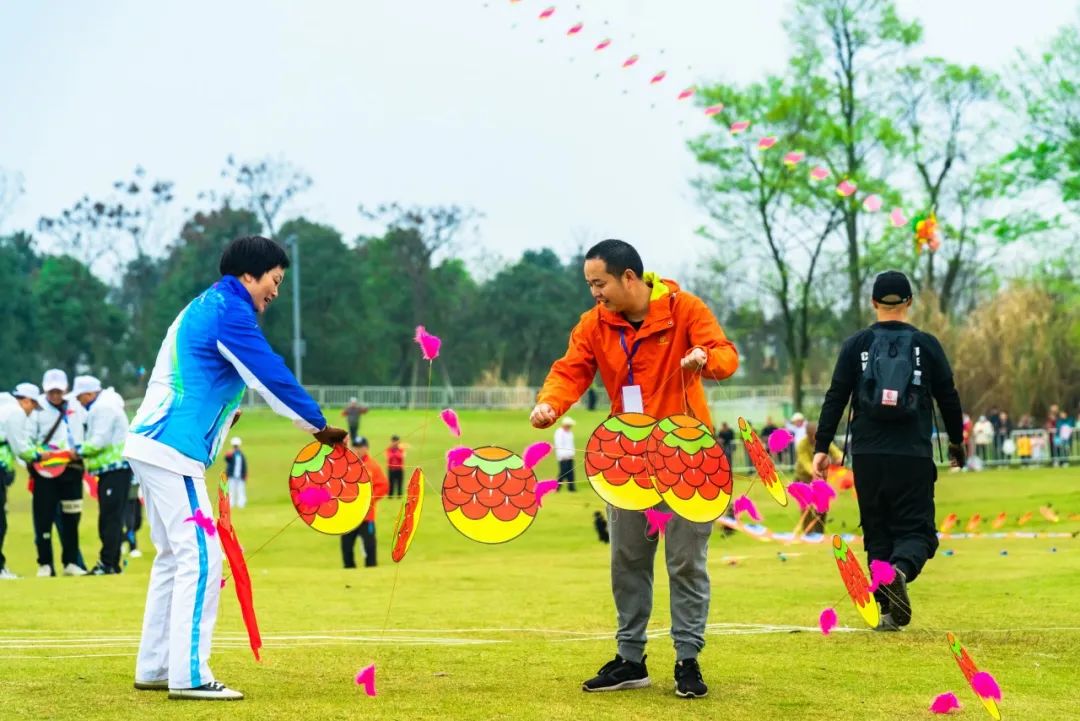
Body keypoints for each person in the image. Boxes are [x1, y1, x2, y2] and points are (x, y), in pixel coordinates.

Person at [124, 235, 348, 701]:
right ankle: (189, 676)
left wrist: (226, 414)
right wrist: (318, 425)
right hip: (171, 449)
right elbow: (269, 372)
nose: (276, 292)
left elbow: (201, 373)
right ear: (249, 275)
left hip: (152, 443)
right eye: (275, 280)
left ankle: (156, 665)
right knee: (202, 559)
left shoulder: (206, 305)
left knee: (173, 557)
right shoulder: (230, 311)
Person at [529, 239, 738, 699]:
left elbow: (726, 355)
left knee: (686, 561)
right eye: (589, 284)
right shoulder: (593, 324)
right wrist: (549, 404)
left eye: (599, 283)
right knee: (627, 559)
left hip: (688, 460)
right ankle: (630, 659)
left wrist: (705, 358)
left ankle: (687, 660)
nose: (594, 293)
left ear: (629, 277)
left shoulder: (685, 309)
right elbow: (570, 371)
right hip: (626, 463)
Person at [813, 270, 964, 632]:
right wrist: (957, 440)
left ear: (874, 303)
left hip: (867, 454)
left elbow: (836, 396)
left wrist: (822, 446)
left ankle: (889, 614)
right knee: (918, 531)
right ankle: (898, 572)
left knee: (877, 530)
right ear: (910, 302)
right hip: (911, 452)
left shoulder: (856, 345)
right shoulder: (926, 345)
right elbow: (948, 395)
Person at [29, 368, 88, 577]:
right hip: (44, 471)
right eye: (51, 392)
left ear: (66, 389)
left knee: (72, 516)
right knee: (43, 517)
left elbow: (84, 432)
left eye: (59, 391)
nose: (55, 395)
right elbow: (29, 439)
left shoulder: (76, 406)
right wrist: (38, 456)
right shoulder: (37, 407)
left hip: (72, 469)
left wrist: (81, 451)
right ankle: (45, 564)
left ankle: (71, 562)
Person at [74, 375, 132, 576]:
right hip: (111, 470)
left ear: (89, 394)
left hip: (114, 468)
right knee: (110, 517)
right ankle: (111, 562)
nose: (79, 402)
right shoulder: (106, 404)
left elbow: (99, 440)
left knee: (110, 518)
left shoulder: (103, 408)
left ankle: (108, 563)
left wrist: (76, 451)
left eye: (80, 397)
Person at [0, 384, 44, 579]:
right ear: (26, 400)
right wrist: (41, 456)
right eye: (32, 407)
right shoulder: (15, 412)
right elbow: (21, 448)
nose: (31, 412)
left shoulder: (3, 407)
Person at [341, 437, 389, 568]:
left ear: (366, 448)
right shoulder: (346, 465)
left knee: (369, 545)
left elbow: (383, 486)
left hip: (367, 516)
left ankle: (371, 569)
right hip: (349, 515)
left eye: (361, 447)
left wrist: (370, 498)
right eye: (356, 447)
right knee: (346, 546)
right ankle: (348, 570)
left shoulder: (373, 466)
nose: (358, 450)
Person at [794, 422, 842, 534]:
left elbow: (836, 451)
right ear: (808, 434)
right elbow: (804, 461)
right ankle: (808, 534)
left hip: (819, 480)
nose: (815, 438)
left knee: (822, 506)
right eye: (812, 435)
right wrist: (813, 471)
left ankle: (820, 534)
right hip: (803, 479)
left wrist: (839, 457)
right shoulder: (802, 444)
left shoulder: (823, 441)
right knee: (806, 507)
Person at [553, 417, 577, 492]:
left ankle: (571, 488)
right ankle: (556, 487)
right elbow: (559, 444)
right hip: (563, 456)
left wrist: (572, 453)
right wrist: (562, 454)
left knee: (571, 472)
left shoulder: (570, 433)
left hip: (570, 455)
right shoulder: (559, 432)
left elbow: (571, 444)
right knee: (563, 472)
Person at [224, 438, 248, 509]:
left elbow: (244, 465)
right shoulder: (231, 454)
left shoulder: (241, 455)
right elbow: (227, 460)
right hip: (232, 475)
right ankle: (231, 504)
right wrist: (228, 455)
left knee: (241, 490)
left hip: (240, 476)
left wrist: (245, 474)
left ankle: (241, 504)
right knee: (231, 490)